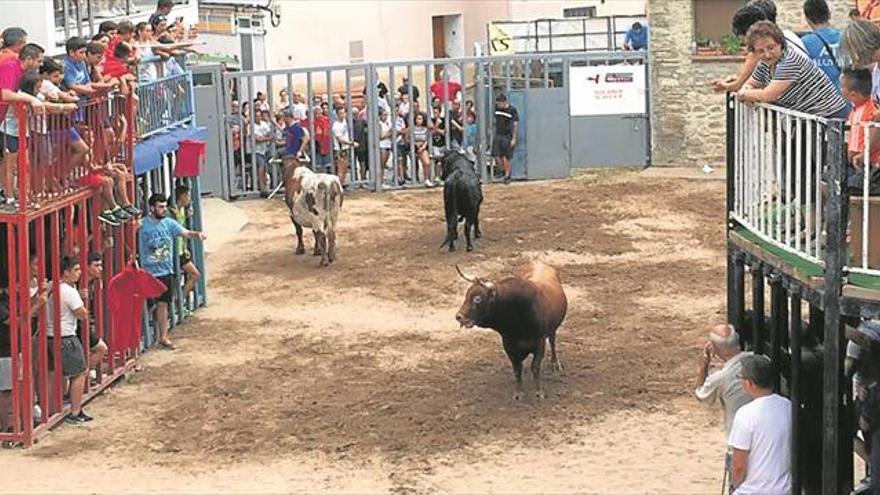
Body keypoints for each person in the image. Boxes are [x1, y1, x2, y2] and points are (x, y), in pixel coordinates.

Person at [737, 21, 848, 119]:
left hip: (828, 117)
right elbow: (751, 84)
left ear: (780, 44)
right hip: (807, 119)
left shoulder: (790, 61)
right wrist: (747, 90)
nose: (767, 54)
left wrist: (744, 94)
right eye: (760, 51)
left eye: (771, 47)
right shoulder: (764, 64)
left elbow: (768, 95)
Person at [139, 193, 206, 350]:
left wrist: (198, 235)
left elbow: (186, 233)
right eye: (160, 207)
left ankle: (162, 336)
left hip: (165, 271)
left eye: (164, 206)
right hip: (148, 272)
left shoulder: (169, 223)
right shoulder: (142, 224)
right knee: (148, 306)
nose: (163, 210)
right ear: (152, 208)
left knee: (163, 305)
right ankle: (144, 337)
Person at [728, 354, 792, 494]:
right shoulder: (788, 406)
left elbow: (739, 465)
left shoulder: (745, 414)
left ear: (749, 383)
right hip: (783, 490)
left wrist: (733, 485)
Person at [711, 1, 807, 94]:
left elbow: (740, 85)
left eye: (744, 40)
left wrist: (726, 86)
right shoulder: (787, 35)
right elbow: (754, 80)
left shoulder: (763, 47)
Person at [45, 256, 91, 425]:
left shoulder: (51, 286)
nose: (79, 273)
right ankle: (75, 412)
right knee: (80, 373)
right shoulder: (69, 291)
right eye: (76, 270)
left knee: (54, 374)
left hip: (50, 336)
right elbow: (82, 314)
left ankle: (52, 411)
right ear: (66, 272)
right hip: (66, 336)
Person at [0, 43, 45, 207]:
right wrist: (31, 99)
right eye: (39, 61)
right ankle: (9, 196)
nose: (41, 65)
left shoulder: (25, 76)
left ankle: (20, 196)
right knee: (9, 164)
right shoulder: (11, 67)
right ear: (28, 59)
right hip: (9, 128)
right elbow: (5, 93)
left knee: (21, 164)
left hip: (18, 130)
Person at [695, 324, 753, 435]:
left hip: (738, 438)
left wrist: (703, 366)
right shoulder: (761, 360)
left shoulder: (720, 378)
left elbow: (701, 395)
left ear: (713, 348)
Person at [845, 320, 880, 493]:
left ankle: (874, 468)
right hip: (869, 392)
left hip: (871, 396)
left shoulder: (868, 334)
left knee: (848, 431)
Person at [842, 67, 880, 195]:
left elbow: (855, 151)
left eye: (842, 87)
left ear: (853, 94)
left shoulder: (863, 113)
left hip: (870, 167)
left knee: (842, 184)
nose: (840, 90)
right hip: (867, 164)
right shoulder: (865, 107)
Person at [170, 184, 201, 314]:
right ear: (181, 196)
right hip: (173, 250)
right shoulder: (172, 211)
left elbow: (183, 230)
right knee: (194, 275)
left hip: (181, 249)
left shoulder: (182, 209)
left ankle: (180, 302)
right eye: (187, 195)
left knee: (191, 275)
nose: (188, 198)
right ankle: (179, 303)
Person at [801, 0, 842, 92]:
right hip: (847, 97)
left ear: (807, 19)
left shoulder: (805, 42)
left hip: (821, 99)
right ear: (829, 15)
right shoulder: (845, 36)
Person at [78, 252, 108, 377]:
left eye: (101, 265)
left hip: (83, 321)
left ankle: (83, 375)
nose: (100, 269)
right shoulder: (78, 282)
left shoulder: (93, 282)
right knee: (101, 348)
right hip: (77, 323)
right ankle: (81, 375)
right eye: (96, 265)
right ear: (86, 267)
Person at [492, 93, 518, 184]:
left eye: (499, 103)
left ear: (504, 102)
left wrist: (514, 138)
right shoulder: (497, 108)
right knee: (496, 155)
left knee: (507, 157)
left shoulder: (512, 110)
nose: (498, 105)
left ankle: (507, 176)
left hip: (507, 135)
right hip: (498, 134)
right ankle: (502, 170)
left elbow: (515, 124)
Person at [332, 106, 357, 186]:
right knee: (340, 170)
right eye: (340, 113)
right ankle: (339, 188)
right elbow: (340, 139)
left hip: (346, 148)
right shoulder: (336, 125)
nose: (342, 115)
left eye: (343, 113)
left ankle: (341, 186)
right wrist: (351, 143)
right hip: (340, 149)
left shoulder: (345, 122)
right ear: (337, 114)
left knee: (345, 169)